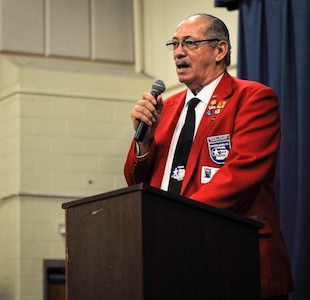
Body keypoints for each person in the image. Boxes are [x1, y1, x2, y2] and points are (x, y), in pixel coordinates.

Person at [124, 13, 293, 299]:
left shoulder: (253, 98)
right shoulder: (166, 108)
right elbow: (135, 180)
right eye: (174, 44)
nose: (178, 52)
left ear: (220, 50)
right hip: (173, 260)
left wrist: (171, 218)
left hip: (236, 257)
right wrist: (145, 141)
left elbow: (240, 174)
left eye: (189, 43)